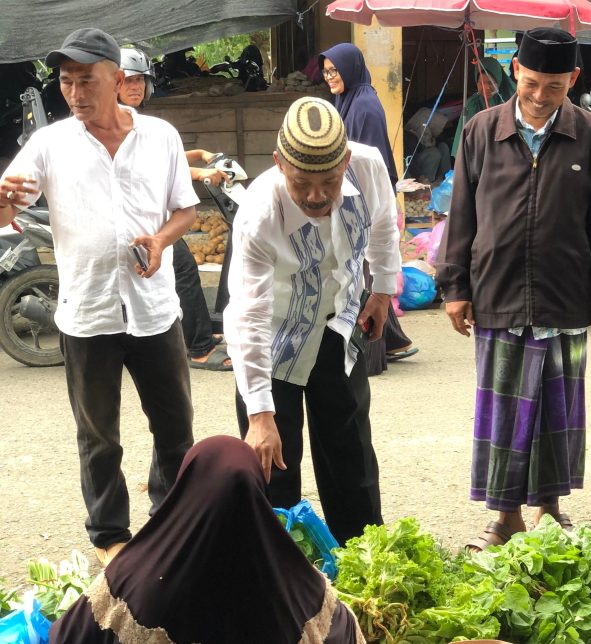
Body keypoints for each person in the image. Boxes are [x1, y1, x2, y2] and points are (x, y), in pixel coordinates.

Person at [0, 28, 197, 567]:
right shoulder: (49, 143)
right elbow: (8, 209)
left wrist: (160, 240)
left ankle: (171, 520)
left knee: (175, 429)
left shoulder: (160, 137)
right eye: (66, 82)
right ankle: (111, 536)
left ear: (119, 79)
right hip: (88, 314)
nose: (75, 92)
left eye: (86, 80)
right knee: (98, 436)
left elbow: (186, 210)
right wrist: (1, 202)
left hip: (155, 310)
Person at [436, 28, 591, 550]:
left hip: (565, 296)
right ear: (515, 70)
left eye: (555, 87)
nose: (541, 97)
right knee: (504, 413)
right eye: (533, 83)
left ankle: (549, 510)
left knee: (555, 411)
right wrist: (455, 284)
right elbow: (460, 216)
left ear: (574, 79)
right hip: (497, 293)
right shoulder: (479, 131)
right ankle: (504, 517)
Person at [224, 96, 400, 545]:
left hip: (338, 327)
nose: (317, 195)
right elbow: (249, 316)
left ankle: (361, 565)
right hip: (274, 341)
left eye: (330, 180)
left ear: (346, 160)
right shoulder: (259, 214)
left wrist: (382, 289)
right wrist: (260, 414)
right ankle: (282, 577)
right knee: (273, 471)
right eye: (303, 183)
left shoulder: (370, 166)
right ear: (280, 163)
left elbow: (383, 225)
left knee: (351, 458)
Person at [49, 435, 365, 643]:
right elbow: (346, 633)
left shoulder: (131, 581)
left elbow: (66, 636)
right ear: (259, 501)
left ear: (184, 491)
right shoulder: (304, 594)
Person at [118, 47, 232, 370]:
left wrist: (201, 155)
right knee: (182, 266)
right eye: (128, 80)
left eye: (141, 80)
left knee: (181, 268)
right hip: (137, 222)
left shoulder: (144, 126)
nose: (136, 86)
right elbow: (154, 169)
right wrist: (200, 173)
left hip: (152, 218)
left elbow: (168, 158)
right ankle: (199, 348)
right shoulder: (115, 127)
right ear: (112, 82)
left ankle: (196, 334)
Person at [319, 43, 418, 375]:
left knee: (365, 276)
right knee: (367, 276)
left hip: (364, 203)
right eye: (326, 71)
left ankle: (371, 354)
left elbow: (370, 166)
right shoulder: (348, 102)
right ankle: (389, 340)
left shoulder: (364, 108)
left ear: (350, 69)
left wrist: (355, 209)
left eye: (335, 70)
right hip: (354, 199)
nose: (330, 77)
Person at [451, 56, 516, 158]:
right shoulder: (472, 104)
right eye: (480, 83)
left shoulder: (511, 100)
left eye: (490, 82)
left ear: (498, 80)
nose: (485, 88)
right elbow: (464, 141)